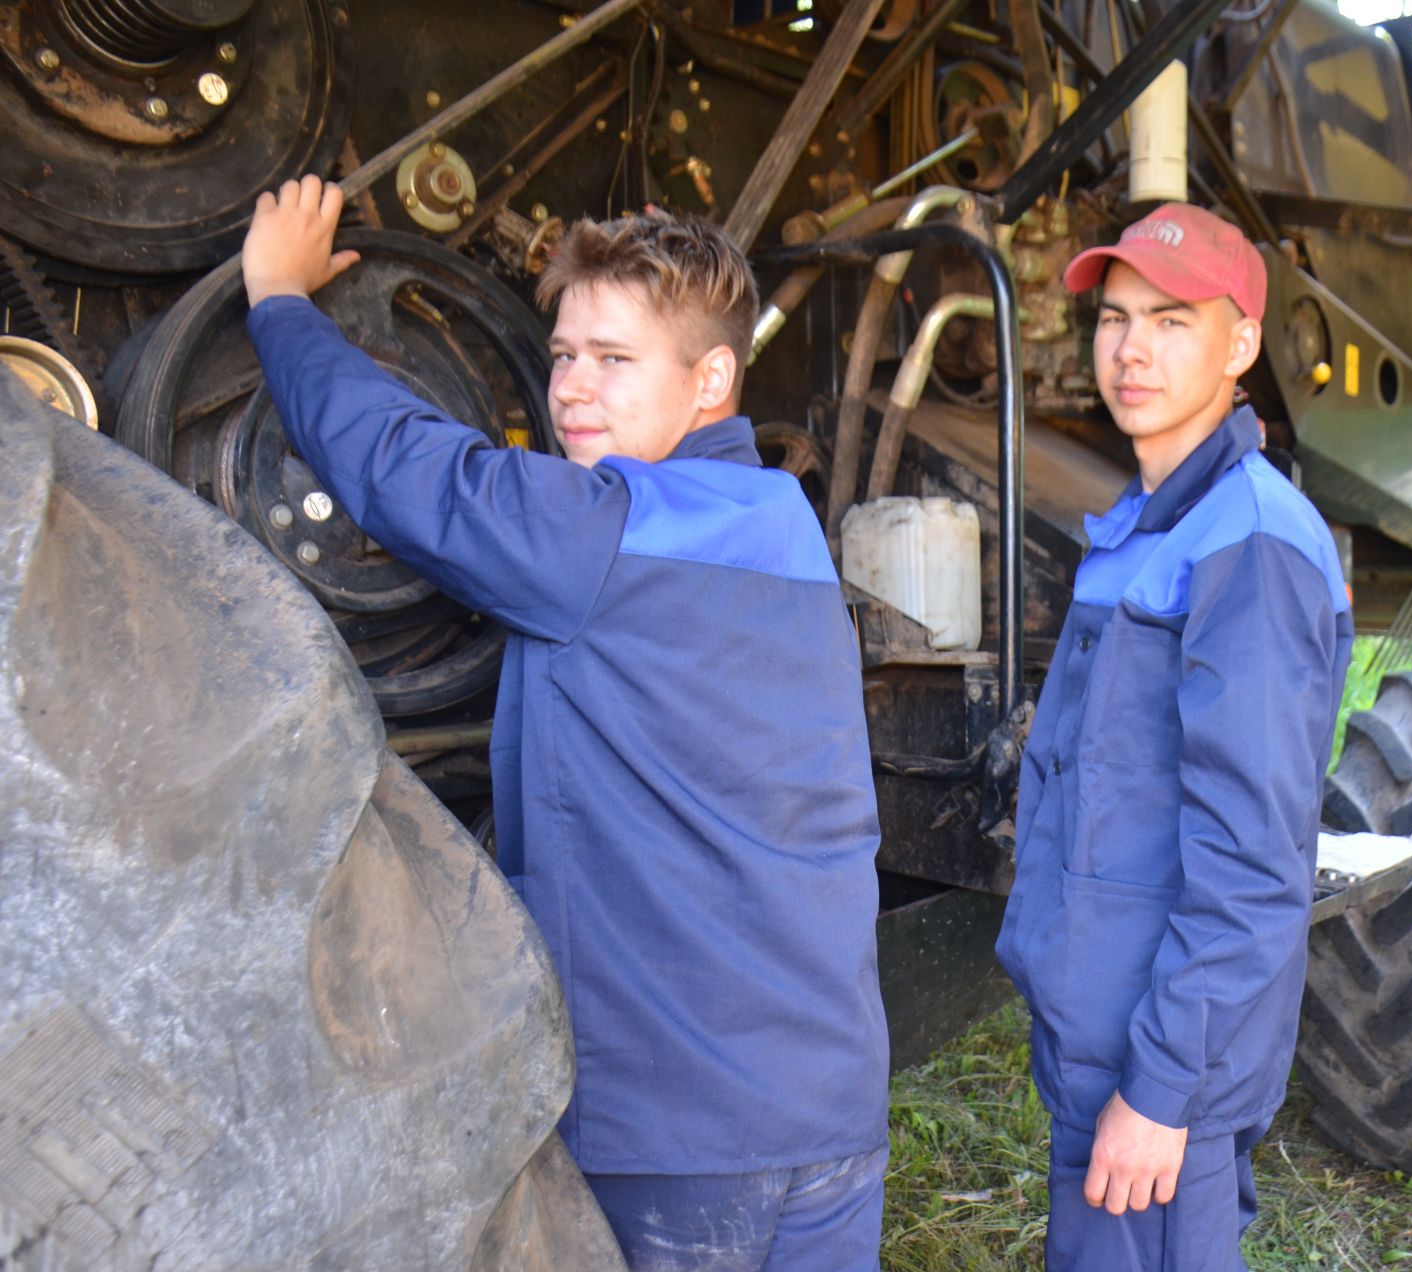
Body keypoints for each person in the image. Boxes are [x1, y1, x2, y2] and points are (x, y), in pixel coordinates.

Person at [242, 176, 889, 1271]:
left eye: (616, 358)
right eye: (562, 354)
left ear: (713, 377)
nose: (573, 389)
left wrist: (277, 301)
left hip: (679, 1131)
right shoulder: (781, 519)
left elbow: (413, 472)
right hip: (826, 1104)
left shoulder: (608, 534)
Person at [995, 203, 1353, 1269]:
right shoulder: (1143, 529)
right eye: (1114, 320)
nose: (1131, 349)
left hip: (1161, 1071)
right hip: (1103, 1033)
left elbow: (1251, 861)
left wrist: (1161, 1090)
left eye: (1171, 320)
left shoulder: (1250, 541)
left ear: (1240, 345)